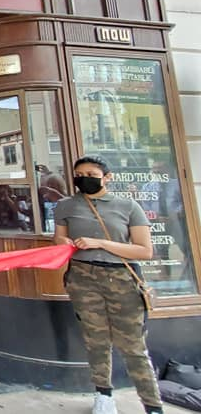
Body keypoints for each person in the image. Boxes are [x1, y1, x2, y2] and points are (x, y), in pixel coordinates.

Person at [54, 156, 163, 414]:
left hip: (121, 280)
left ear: (107, 176)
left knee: (133, 345)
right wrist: (64, 243)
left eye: (91, 173)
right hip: (83, 277)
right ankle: (103, 393)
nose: (84, 178)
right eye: (79, 174)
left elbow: (144, 251)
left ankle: (152, 404)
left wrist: (101, 243)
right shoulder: (66, 206)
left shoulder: (127, 206)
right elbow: (58, 238)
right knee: (95, 340)